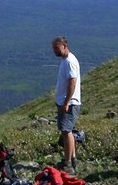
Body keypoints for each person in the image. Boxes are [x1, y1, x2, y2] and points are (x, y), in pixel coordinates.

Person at [51, 36, 81, 174]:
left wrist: (67, 102)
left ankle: (68, 163)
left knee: (66, 131)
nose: (55, 51)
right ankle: (72, 159)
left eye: (57, 48)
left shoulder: (69, 62)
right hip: (65, 101)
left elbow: (72, 82)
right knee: (67, 131)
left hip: (69, 102)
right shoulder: (65, 60)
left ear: (64, 45)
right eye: (54, 48)